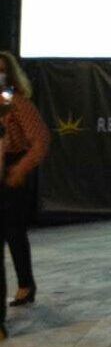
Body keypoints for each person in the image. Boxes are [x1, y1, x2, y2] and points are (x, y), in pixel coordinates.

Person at [0, 53, 49, 332]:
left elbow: (40, 140)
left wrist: (20, 170)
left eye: (2, 71)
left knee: (13, 231)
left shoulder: (15, 102)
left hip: (11, 170)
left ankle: (25, 284)